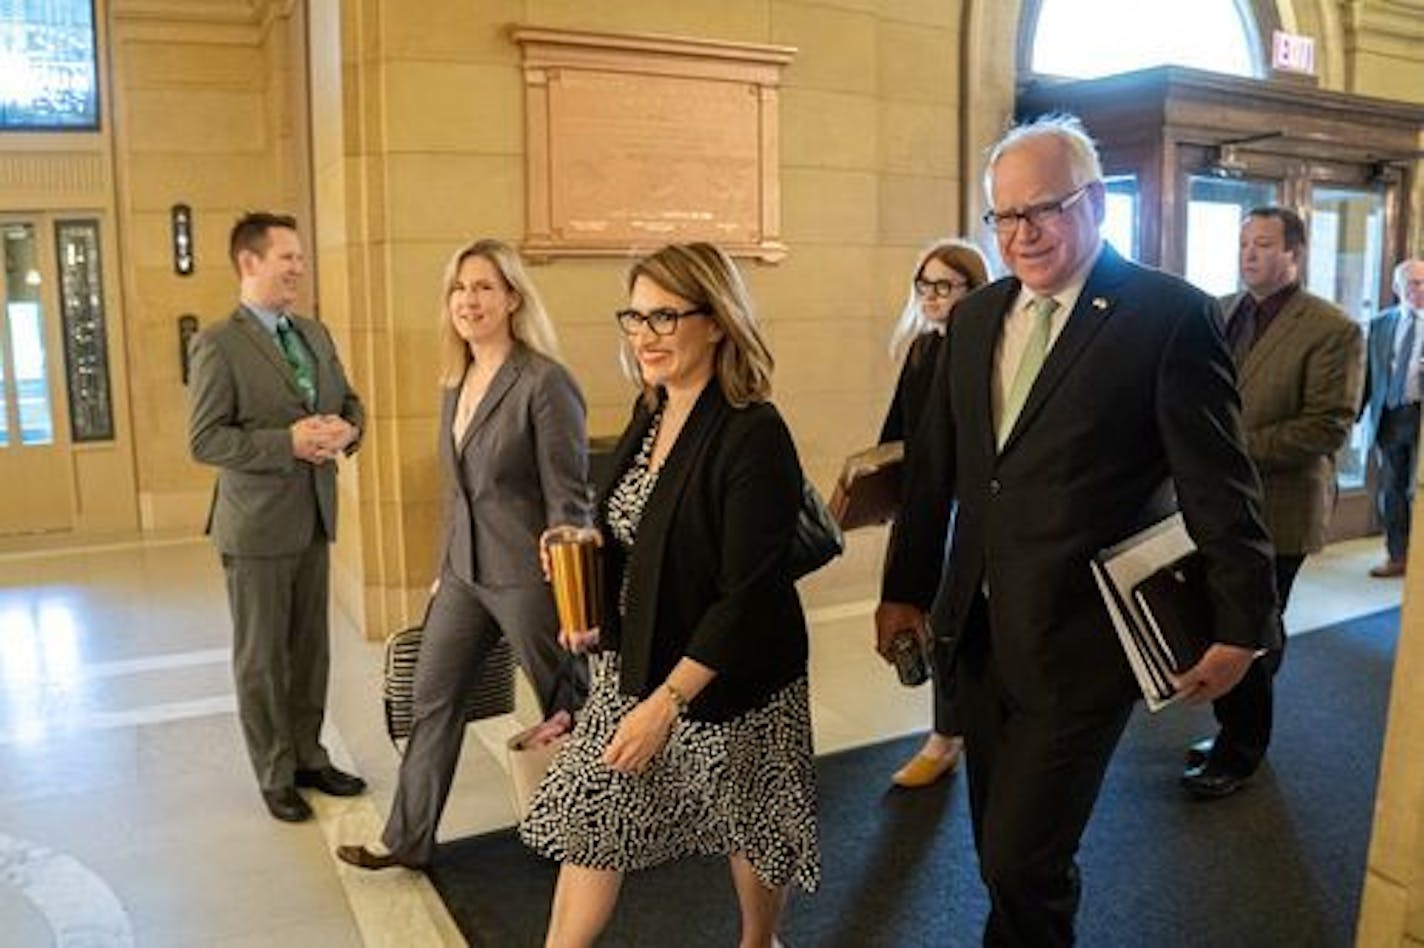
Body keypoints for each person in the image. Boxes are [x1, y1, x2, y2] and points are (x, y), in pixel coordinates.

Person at [875, 115, 1278, 945]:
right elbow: (936, 475)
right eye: (1003, 217)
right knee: (999, 851)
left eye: (1042, 211)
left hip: (1086, 643)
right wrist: (904, 591)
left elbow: (1220, 487)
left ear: (1094, 202)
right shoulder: (977, 317)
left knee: (1024, 860)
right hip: (977, 635)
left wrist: (1243, 626)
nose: (1021, 235)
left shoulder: (1168, 316)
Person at [520, 242, 819, 948]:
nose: (643, 337)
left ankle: (760, 941)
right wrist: (585, 558)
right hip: (639, 661)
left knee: (751, 819)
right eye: (634, 317)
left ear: (716, 321)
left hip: (733, 673)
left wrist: (668, 703)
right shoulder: (652, 410)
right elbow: (640, 526)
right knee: (592, 812)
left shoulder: (754, 433)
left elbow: (746, 593)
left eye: (664, 318)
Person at [336, 238, 590, 870]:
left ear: (511, 297)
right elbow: (455, 490)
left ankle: (598, 829)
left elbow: (569, 496)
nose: (468, 300)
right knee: (432, 697)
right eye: (458, 288)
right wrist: (441, 568)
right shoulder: (457, 379)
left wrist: (571, 589)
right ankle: (408, 839)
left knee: (567, 702)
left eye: (482, 287)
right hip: (462, 574)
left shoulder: (544, 382)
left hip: (528, 577)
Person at [188, 212, 368, 823]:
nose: (298, 267)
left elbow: (349, 401)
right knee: (264, 657)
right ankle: (274, 771)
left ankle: (310, 755)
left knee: (311, 649)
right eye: (287, 257)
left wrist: (350, 428)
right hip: (256, 527)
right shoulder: (219, 343)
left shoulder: (313, 334)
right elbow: (206, 439)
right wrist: (284, 444)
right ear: (249, 262)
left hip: (315, 516)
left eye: (300, 257)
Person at [1182, 208, 1364, 799]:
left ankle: (1239, 754)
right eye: (1243, 243)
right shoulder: (1220, 310)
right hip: (1216, 508)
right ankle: (1234, 727)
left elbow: (1328, 426)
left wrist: (1226, 451)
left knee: (1249, 629)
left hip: (1280, 508)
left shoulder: (1331, 328)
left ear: (1295, 254)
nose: (1249, 254)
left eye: (1262, 244)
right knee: (1233, 622)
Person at [879, 238, 989, 789]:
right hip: (926, 508)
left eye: (944, 286)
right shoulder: (923, 350)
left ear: (974, 289)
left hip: (971, 513)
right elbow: (896, 431)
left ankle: (949, 737)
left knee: (954, 625)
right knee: (932, 627)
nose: (930, 297)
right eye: (923, 285)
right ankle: (947, 736)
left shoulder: (986, 352)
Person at [1363, 258, 1424, 578]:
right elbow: (1368, 374)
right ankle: (1397, 556)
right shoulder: (1380, 325)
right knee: (1392, 490)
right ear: (1397, 287)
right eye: (1413, 283)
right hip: (1389, 416)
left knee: (1420, 491)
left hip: (1420, 416)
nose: (1420, 290)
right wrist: (1353, 416)